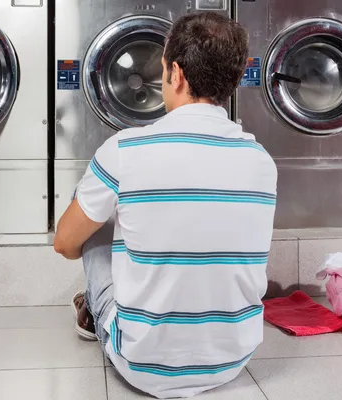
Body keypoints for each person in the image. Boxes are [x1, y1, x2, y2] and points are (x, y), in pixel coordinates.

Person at [55, 11, 277, 399]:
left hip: (142, 364)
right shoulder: (261, 160)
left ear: (175, 73)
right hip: (232, 359)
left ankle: (95, 309)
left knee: (91, 197)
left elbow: (65, 244)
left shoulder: (124, 150)